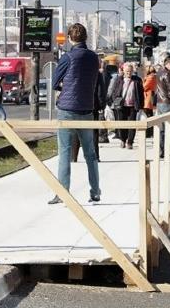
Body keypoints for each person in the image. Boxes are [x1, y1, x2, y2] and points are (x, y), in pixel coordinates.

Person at [50, 23, 101, 205]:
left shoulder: (68, 57)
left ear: (70, 39)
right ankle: (95, 192)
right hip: (87, 109)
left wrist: (66, 87)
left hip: (67, 110)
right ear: (85, 38)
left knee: (64, 152)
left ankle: (63, 192)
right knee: (90, 153)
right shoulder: (94, 58)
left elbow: (55, 82)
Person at [107, 62, 144, 149]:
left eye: (130, 71)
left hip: (132, 106)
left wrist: (140, 106)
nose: (129, 73)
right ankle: (123, 140)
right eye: (127, 71)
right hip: (121, 106)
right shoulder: (119, 79)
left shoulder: (137, 80)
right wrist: (115, 100)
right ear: (123, 71)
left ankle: (130, 142)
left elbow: (141, 93)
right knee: (121, 125)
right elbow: (114, 91)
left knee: (132, 125)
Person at [155, 55, 170, 156]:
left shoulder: (159, 72)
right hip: (168, 104)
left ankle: (161, 150)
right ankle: (169, 150)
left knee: (162, 129)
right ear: (167, 63)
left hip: (160, 103)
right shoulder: (168, 74)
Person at [142, 65, 157, 137]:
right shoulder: (153, 77)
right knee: (149, 115)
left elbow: (144, 87)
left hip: (147, 97)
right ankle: (150, 132)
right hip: (149, 96)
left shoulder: (150, 77)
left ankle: (149, 132)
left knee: (147, 115)